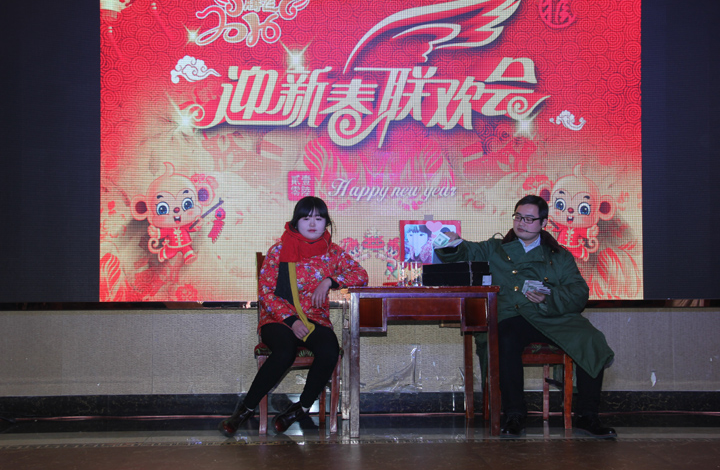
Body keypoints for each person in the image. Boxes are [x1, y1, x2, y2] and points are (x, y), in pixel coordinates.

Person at [435, 195, 616, 438]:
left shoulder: (558, 255)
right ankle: (514, 414)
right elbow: (467, 251)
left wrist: (548, 296)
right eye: (518, 217)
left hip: (550, 315)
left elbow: (579, 292)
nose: (521, 223)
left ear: (544, 223)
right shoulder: (495, 248)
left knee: (591, 339)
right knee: (505, 339)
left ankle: (588, 415)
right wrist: (453, 243)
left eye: (529, 219)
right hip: (512, 316)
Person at [219, 196, 369, 436]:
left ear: (326, 222)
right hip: (278, 320)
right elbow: (266, 293)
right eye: (306, 218)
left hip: (315, 320)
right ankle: (245, 410)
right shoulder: (279, 250)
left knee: (329, 350)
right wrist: (292, 321)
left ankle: (300, 408)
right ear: (296, 222)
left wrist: (330, 281)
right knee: (284, 351)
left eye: (319, 218)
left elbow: (361, 275)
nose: (313, 224)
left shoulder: (332, 253)